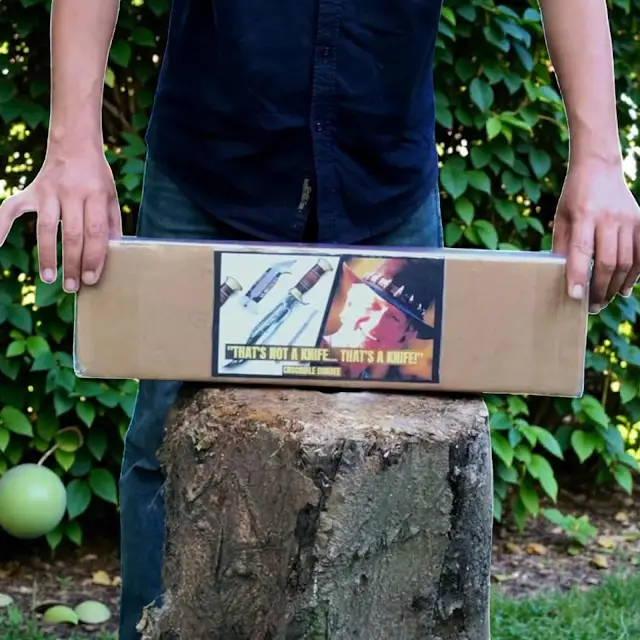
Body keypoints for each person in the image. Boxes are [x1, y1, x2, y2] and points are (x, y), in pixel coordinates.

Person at [0, 0, 639, 637]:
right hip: (210, 167)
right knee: (166, 453)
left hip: (383, 177)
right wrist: (72, 145)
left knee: (415, 465)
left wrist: (601, 162)